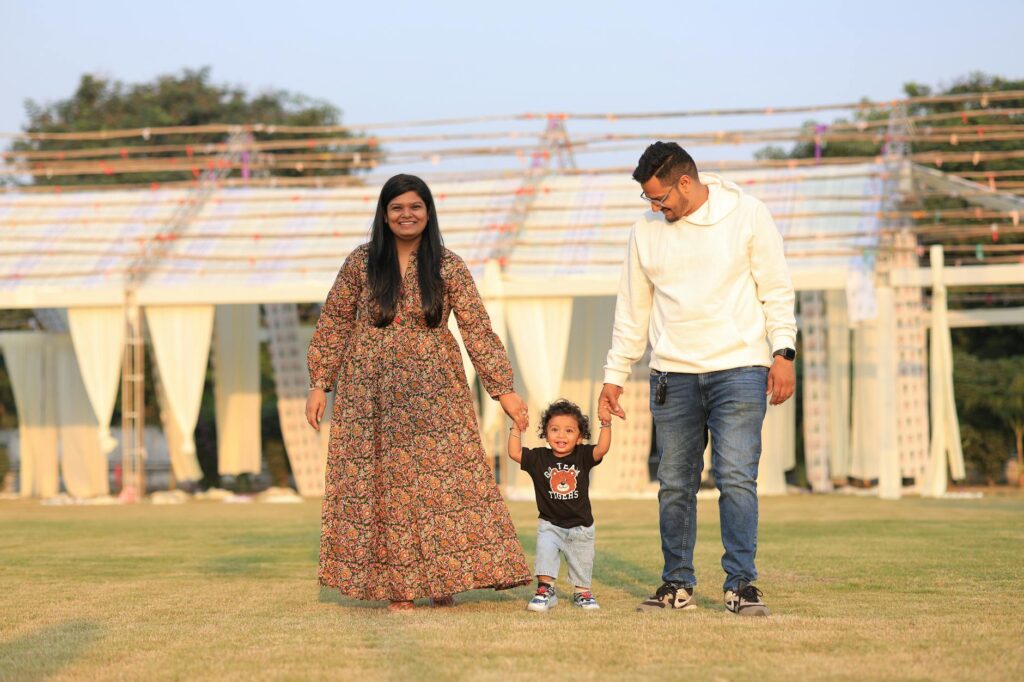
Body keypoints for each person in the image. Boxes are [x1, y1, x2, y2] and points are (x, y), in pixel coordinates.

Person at [306, 173, 533, 612]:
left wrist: (503, 390)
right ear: (384, 214)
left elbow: (477, 329)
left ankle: (443, 578)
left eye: (415, 206)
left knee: (443, 484)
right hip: (368, 392)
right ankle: (400, 589)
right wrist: (319, 383)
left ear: (428, 213)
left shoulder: (448, 265)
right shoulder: (360, 263)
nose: (406, 215)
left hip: (436, 389)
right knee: (384, 487)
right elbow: (333, 321)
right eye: (397, 207)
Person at [598, 142, 797, 617]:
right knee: (674, 483)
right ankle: (677, 583)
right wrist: (614, 375)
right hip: (673, 374)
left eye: (659, 197)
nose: (654, 207)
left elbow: (775, 289)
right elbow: (632, 309)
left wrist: (783, 352)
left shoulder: (747, 213)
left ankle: (741, 584)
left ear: (685, 182)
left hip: (740, 369)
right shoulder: (645, 231)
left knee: (736, 477)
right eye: (648, 199)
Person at [508, 399, 612, 612]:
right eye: (554, 429)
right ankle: (546, 591)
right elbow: (515, 453)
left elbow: (602, 449)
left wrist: (606, 424)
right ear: (546, 434)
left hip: (581, 526)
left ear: (580, 436)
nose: (561, 435)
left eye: (569, 431)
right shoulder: (538, 458)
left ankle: (582, 593)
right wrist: (516, 427)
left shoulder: (583, 455)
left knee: (582, 562)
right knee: (545, 553)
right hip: (550, 524)